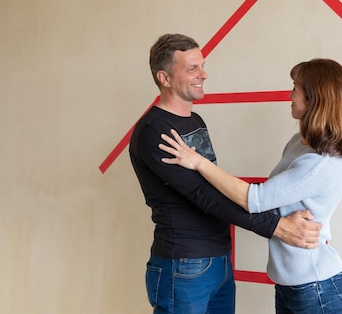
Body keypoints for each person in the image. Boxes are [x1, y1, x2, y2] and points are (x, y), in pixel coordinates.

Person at [129, 34, 322, 314]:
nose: (203, 74)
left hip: (218, 260)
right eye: (192, 68)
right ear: (165, 78)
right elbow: (204, 195)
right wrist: (277, 227)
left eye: (202, 65)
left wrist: (274, 201)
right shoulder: (154, 131)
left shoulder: (195, 121)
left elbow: (216, 183)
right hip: (183, 264)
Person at [159, 58, 342, 314]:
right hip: (289, 285)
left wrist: (198, 162)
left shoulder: (322, 162)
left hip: (316, 286)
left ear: (313, 98)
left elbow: (255, 199)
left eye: (295, 88)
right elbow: (271, 199)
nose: (290, 94)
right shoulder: (300, 143)